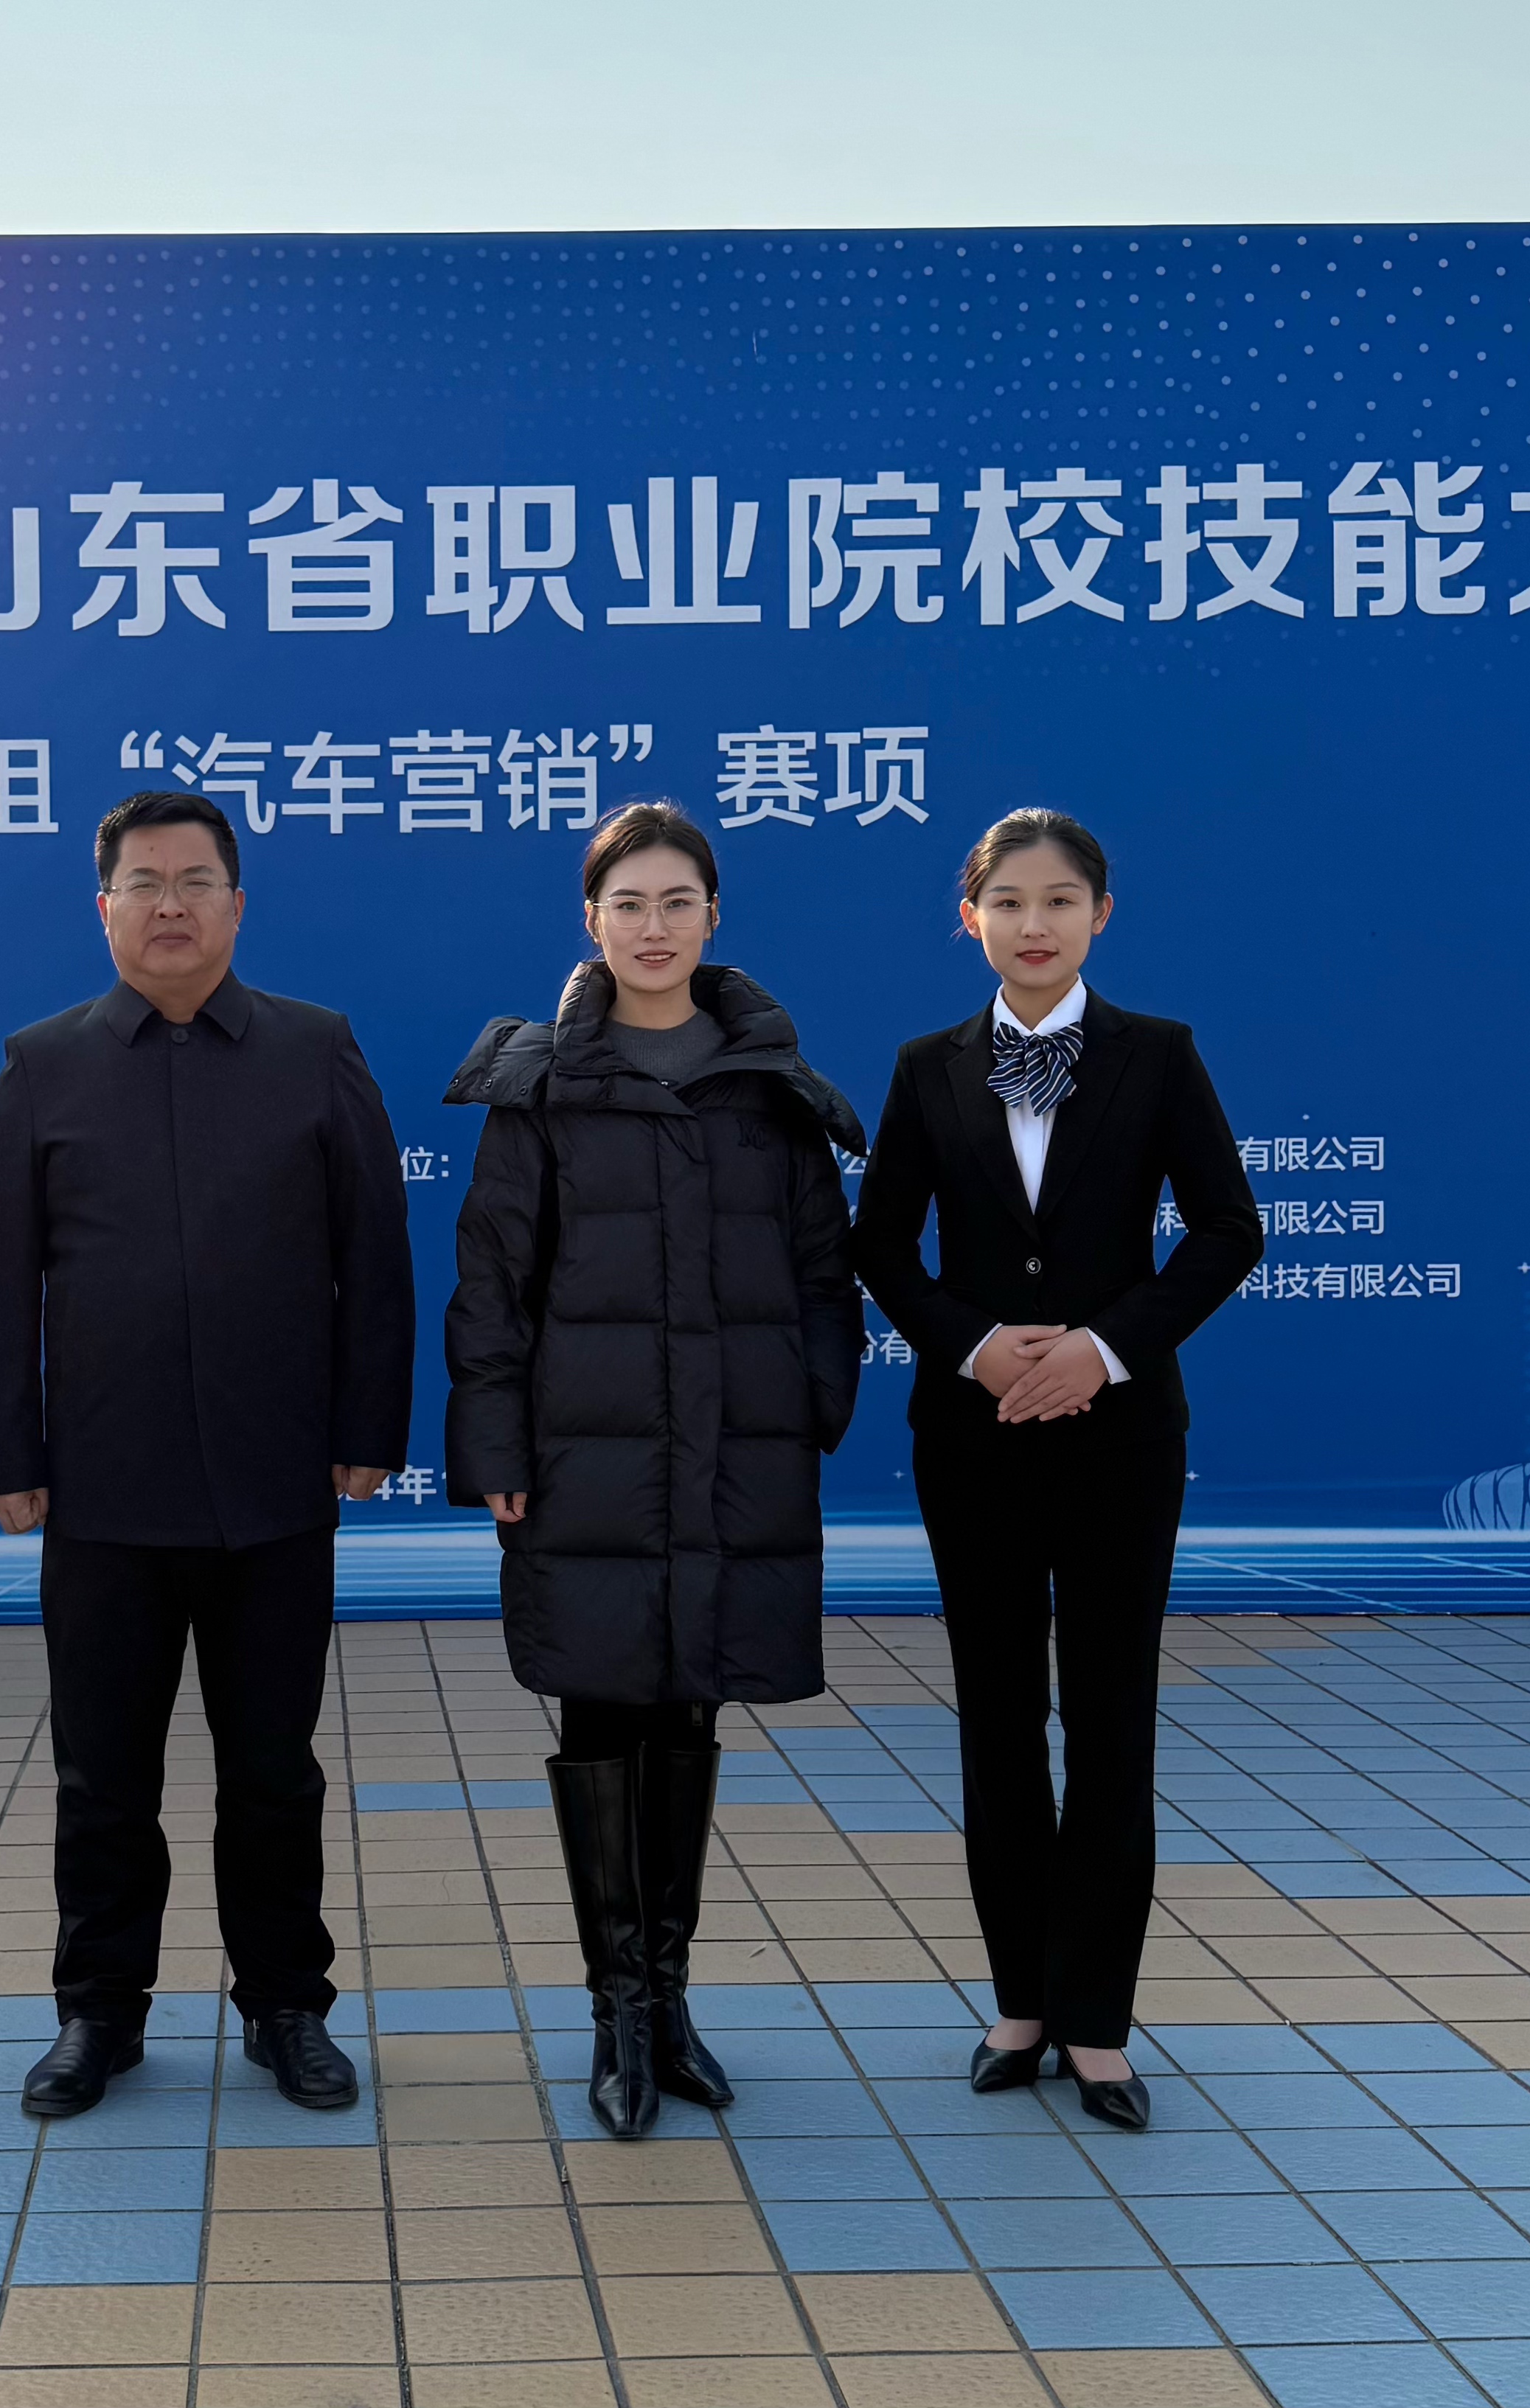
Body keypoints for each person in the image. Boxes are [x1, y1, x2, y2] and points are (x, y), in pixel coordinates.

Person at [0, 790, 414, 2119]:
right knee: (103, 1774)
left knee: (271, 1768)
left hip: (276, 1483)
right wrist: (8, 1450)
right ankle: (98, 2011)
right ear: (103, 907)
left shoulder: (314, 1049)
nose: (170, 904)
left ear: (235, 904)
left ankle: (285, 2005)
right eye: (145, 883)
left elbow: (373, 1255)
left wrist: (367, 1431)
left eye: (196, 881)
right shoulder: (40, 1065)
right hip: (103, 1488)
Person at [444, 802, 866, 2139]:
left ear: (712, 916)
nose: (653, 926)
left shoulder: (770, 1089)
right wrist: (495, 1446)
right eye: (627, 902)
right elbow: (491, 1283)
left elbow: (823, 1274)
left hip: (734, 1454)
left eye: (678, 900)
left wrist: (808, 1408)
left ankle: (670, 2003)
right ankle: (615, 2011)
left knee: (691, 1711)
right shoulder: (539, 1087)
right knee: (599, 1713)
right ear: (591, 921)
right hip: (588, 1457)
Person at [846, 809, 1262, 2132]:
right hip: (971, 1440)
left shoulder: (1157, 1054)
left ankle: (1097, 2021)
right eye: (1009, 902)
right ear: (968, 917)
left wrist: (1103, 1348)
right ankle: (1019, 2000)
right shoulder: (925, 1066)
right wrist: (973, 1347)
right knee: (996, 1718)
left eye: (1060, 900)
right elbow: (879, 1245)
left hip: (1119, 1441)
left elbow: (1227, 1230)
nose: (1035, 924)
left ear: (1100, 915)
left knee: (1110, 1718)